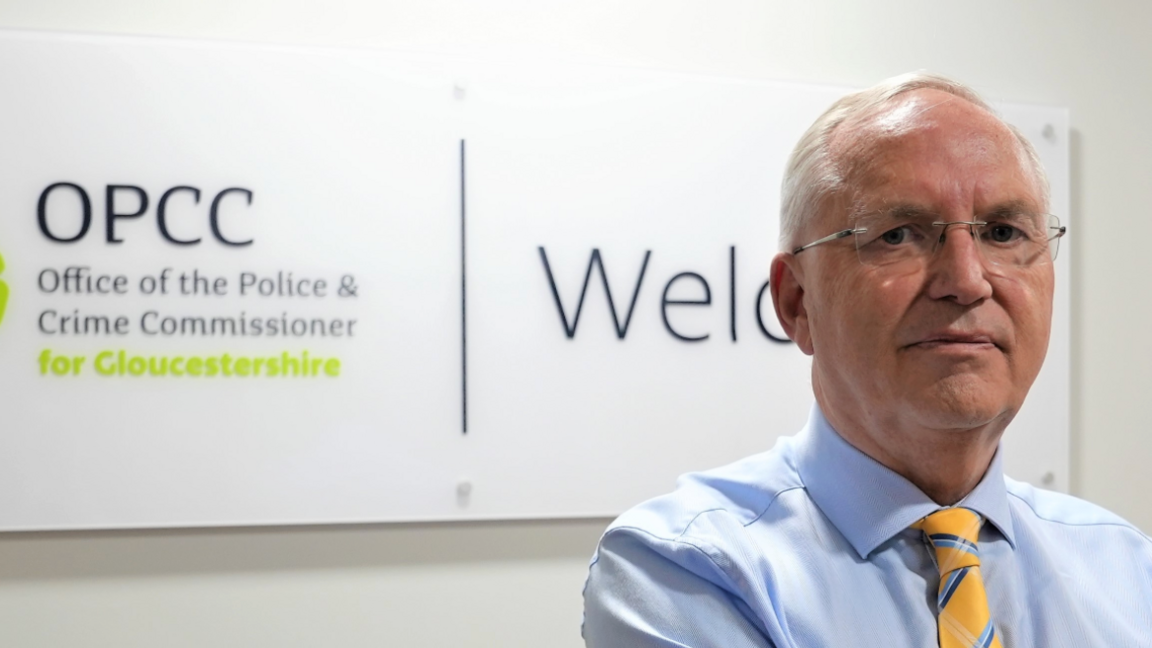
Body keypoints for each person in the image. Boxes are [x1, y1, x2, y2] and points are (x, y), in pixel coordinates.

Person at [582, 72, 1152, 647]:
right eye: (899, 235)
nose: (967, 280)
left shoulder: (1127, 569)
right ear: (796, 301)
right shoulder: (686, 570)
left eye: (1003, 232)